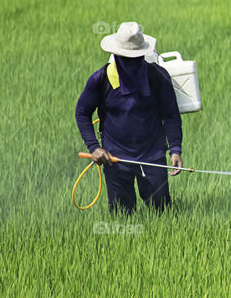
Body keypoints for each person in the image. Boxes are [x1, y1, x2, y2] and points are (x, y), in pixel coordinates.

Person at [75, 22, 183, 214]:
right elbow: (82, 112)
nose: (131, 63)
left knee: (162, 213)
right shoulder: (100, 79)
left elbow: (171, 115)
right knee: (121, 215)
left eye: (136, 58)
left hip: (153, 155)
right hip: (114, 158)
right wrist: (94, 147)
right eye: (127, 58)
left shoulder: (157, 76)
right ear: (116, 55)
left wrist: (175, 149)